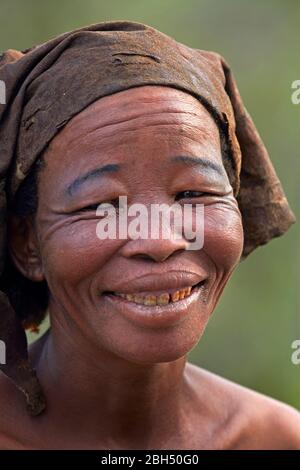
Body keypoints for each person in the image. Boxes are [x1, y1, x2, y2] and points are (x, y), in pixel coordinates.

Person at [0, 21, 299, 450]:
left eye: (194, 192)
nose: (160, 241)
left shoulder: (276, 439)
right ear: (26, 243)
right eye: (103, 206)